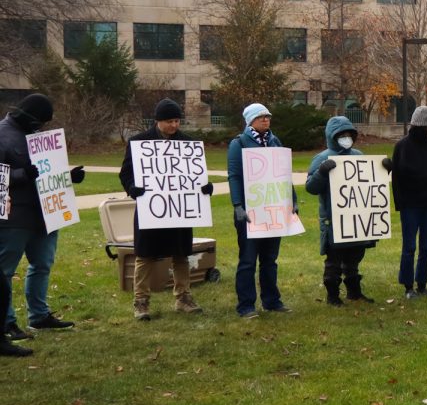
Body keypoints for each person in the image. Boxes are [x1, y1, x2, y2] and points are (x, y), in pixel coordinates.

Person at [2, 94, 85, 355]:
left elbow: (49, 171)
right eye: (40, 123)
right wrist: (21, 175)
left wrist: (68, 177)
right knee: (4, 272)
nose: (42, 128)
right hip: (15, 216)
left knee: (42, 265)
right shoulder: (2, 135)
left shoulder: (40, 139)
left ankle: (39, 315)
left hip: (47, 213)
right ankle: (7, 323)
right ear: (28, 117)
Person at [119, 98, 213, 320]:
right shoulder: (139, 143)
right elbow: (125, 173)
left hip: (179, 209)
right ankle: (141, 302)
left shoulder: (188, 144)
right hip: (151, 209)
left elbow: (195, 176)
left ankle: (183, 298)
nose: (174, 125)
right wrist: (132, 188)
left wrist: (204, 188)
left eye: (177, 120)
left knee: (181, 254)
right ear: (158, 121)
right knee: (145, 255)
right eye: (170, 121)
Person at [227, 103, 297, 318]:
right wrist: (237, 205)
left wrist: (292, 201)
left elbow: (284, 174)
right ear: (250, 121)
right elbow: (235, 176)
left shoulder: (275, 141)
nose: (266, 120)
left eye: (268, 116)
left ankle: (271, 300)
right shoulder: (238, 144)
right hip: (250, 212)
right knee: (248, 260)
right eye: (261, 117)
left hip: (273, 211)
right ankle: (246, 305)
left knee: (269, 260)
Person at [306, 115, 385, 306]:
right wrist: (322, 172)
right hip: (334, 220)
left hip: (356, 218)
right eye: (341, 134)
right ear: (332, 136)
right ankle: (332, 295)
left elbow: (370, 185)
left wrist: (384, 170)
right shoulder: (322, 158)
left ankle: (354, 292)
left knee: (355, 257)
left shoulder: (358, 156)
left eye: (349, 134)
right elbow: (311, 188)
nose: (346, 137)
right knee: (334, 260)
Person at [392, 105, 427, 298]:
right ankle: (408, 286)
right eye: (425, 128)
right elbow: (397, 177)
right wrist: (399, 202)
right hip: (409, 204)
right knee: (409, 246)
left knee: (426, 246)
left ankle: (422, 284)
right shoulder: (402, 146)